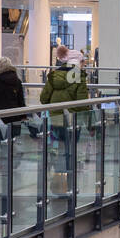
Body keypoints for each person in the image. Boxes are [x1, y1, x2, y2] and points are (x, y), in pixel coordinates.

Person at [40, 45, 90, 174]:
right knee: (72, 142)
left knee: (60, 142)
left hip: (56, 116)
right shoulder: (79, 77)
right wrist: (89, 123)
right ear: (79, 62)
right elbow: (83, 103)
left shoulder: (54, 75)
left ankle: (60, 169)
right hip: (73, 118)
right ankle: (70, 168)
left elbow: (44, 98)